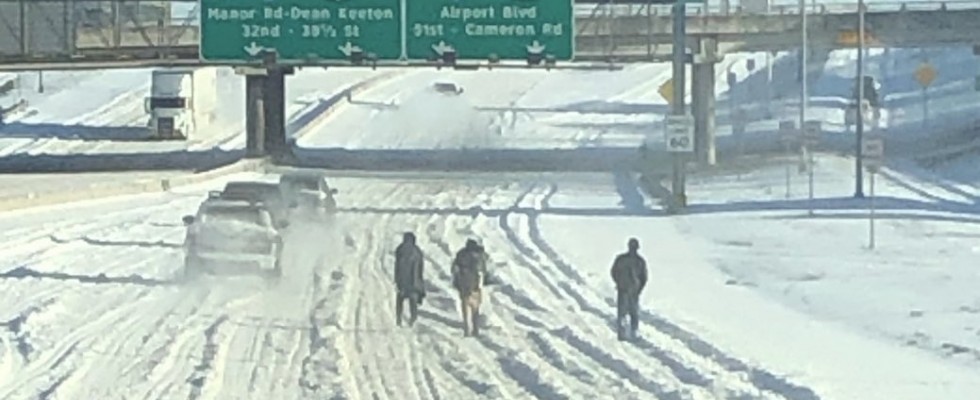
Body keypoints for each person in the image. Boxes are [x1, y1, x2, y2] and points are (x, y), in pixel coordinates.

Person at [610, 238, 648, 340]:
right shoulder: (624, 259)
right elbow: (614, 272)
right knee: (626, 313)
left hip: (630, 290)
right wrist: (619, 283)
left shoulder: (638, 261)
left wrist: (638, 289)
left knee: (630, 313)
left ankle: (629, 332)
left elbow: (644, 277)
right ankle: (626, 333)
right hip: (626, 290)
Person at [451, 238, 488, 337]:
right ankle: (475, 329)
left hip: (463, 285)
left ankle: (467, 329)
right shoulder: (479, 256)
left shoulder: (461, 254)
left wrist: (456, 282)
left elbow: (454, 269)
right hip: (476, 287)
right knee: (475, 309)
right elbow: (483, 271)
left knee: (465, 308)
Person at [394, 232, 425, 327]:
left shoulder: (400, 249)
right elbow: (420, 268)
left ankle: (399, 318)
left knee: (400, 299)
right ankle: (413, 318)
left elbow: (397, 266)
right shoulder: (417, 251)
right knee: (413, 301)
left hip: (402, 280)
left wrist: (396, 279)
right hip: (414, 280)